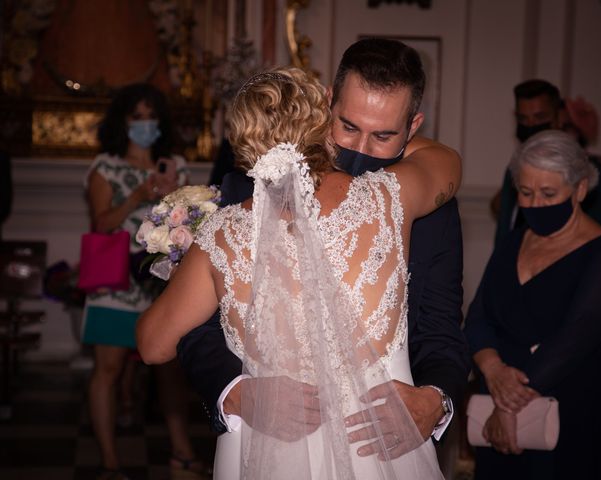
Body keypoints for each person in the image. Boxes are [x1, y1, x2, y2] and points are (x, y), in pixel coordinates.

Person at [136, 66, 461, 478]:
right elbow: (447, 162)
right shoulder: (388, 198)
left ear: (242, 148)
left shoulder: (221, 233)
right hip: (376, 443)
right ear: (325, 124)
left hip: (262, 446)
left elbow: (152, 345)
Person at [464, 130, 601, 479]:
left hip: (567, 407)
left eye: (548, 194)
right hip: (495, 394)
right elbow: (479, 316)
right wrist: (494, 372)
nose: (536, 205)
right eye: (526, 193)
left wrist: (510, 406)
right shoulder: (514, 240)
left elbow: (575, 340)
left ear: (581, 189)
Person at [82, 83, 204, 480]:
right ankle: (110, 463)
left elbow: (195, 228)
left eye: (150, 116)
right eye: (136, 117)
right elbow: (101, 223)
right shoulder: (105, 167)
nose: (145, 124)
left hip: (162, 282)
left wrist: (172, 199)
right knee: (109, 369)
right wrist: (138, 195)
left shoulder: (177, 167)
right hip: (116, 283)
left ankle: (182, 453)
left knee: (170, 369)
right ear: (122, 122)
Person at [492, 79, 601, 247]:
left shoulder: (586, 169)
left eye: (540, 117)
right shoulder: (513, 169)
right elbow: (505, 220)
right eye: (523, 119)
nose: (531, 125)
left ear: (559, 118)